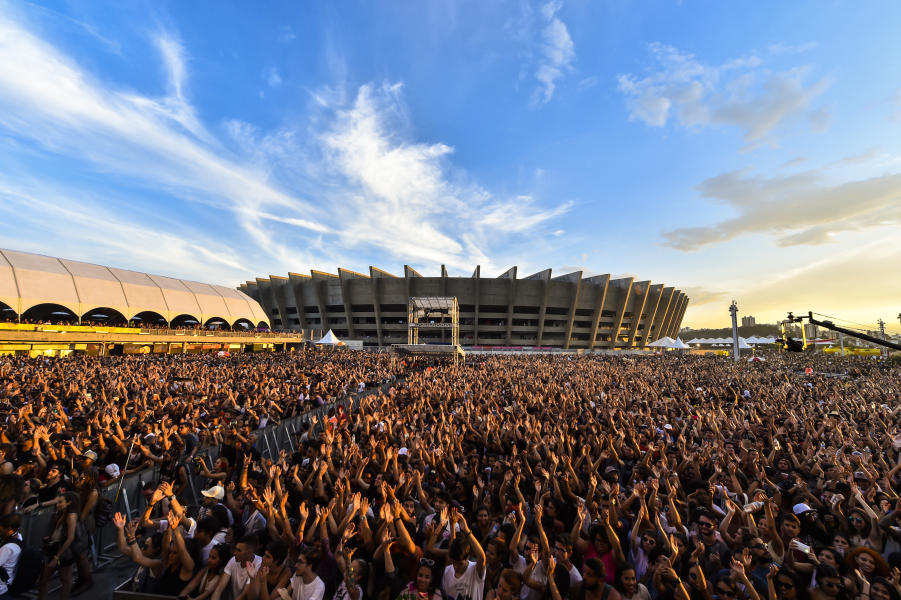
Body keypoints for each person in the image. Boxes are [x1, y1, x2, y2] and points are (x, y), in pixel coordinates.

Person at [38, 491, 87, 600]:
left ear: (69, 502)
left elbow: (70, 538)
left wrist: (56, 557)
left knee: (65, 579)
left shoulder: (71, 516)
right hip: (56, 548)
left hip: (63, 552)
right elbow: (60, 532)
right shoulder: (61, 514)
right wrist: (51, 538)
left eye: (60, 502)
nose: (57, 504)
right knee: (43, 580)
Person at [212, 534, 263, 600]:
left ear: (249, 552)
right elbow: (219, 588)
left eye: (239, 550)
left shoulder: (259, 564)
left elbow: (244, 595)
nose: (235, 553)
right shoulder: (233, 560)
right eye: (236, 549)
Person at [0, 514, 23, 600]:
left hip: (1, 589)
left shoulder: (8, 548)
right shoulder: (18, 537)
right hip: (8, 584)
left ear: (8, 529)